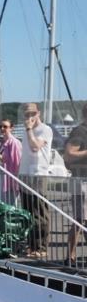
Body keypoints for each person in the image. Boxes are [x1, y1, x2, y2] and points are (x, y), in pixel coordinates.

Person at [18, 102, 54, 259]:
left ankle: (41, 246)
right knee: (28, 212)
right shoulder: (28, 131)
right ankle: (32, 244)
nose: (30, 117)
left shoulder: (45, 130)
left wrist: (28, 129)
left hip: (38, 174)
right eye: (27, 114)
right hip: (25, 173)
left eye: (32, 113)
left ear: (39, 113)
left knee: (39, 212)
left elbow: (35, 146)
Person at [63, 103, 87, 267]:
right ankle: (70, 256)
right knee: (80, 220)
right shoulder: (80, 131)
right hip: (81, 181)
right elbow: (69, 154)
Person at [0, 119, 22, 205]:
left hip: (10, 179)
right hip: (2, 178)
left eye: (5, 127)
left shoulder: (14, 142)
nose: (2, 129)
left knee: (11, 204)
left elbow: (10, 161)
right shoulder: (3, 142)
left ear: (11, 128)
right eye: (0, 127)